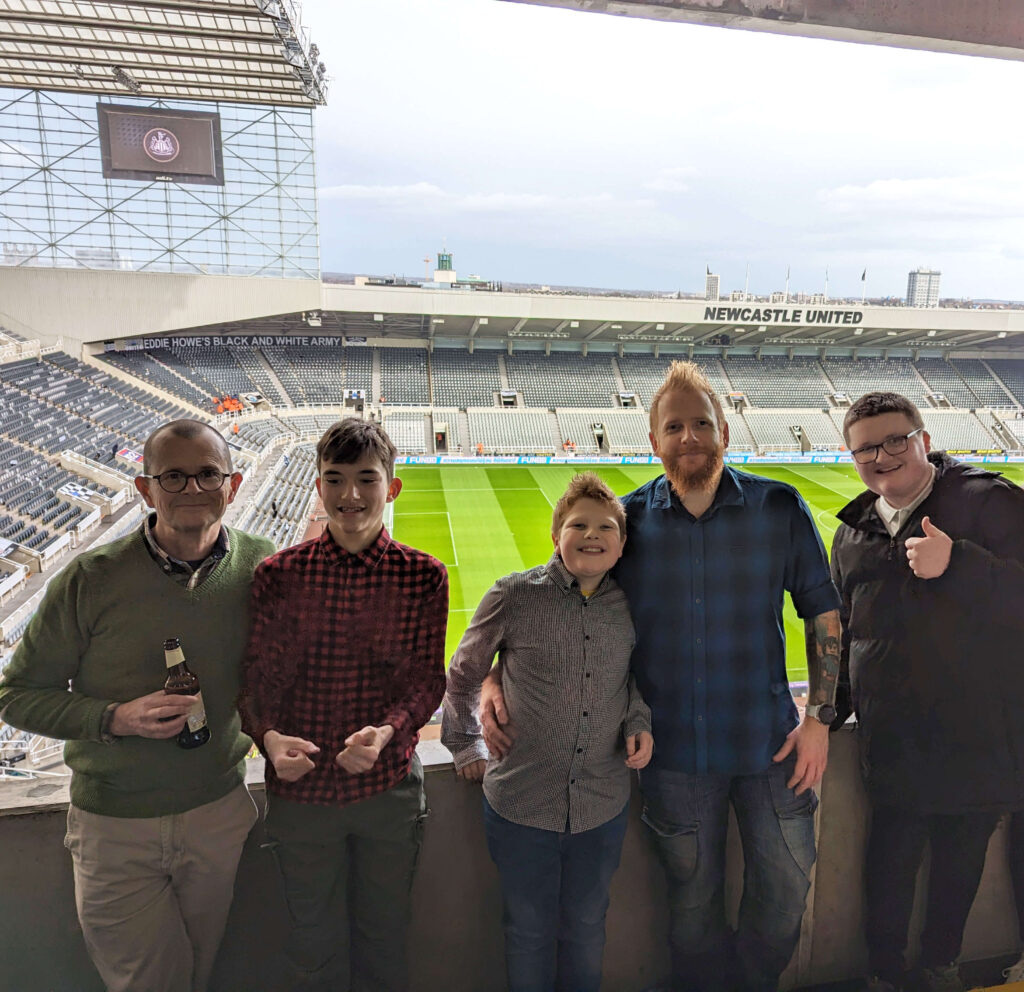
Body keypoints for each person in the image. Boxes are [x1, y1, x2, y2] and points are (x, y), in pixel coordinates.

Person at [482, 361, 841, 992]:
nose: (689, 437)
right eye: (673, 426)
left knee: (787, 892)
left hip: (771, 745)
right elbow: (548, 596)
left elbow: (824, 613)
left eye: (701, 423)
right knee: (692, 909)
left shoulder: (779, 507)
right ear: (653, 441)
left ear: (725, 429)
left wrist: (820, 717)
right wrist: (491, 674)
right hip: (672, 757)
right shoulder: (627, 522)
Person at [0, 420, 274, 992]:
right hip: (114, 825)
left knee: (203, 972)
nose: (192, 489)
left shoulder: (261, 565)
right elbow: (16, 695)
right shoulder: (88, 579)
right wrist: (113, 718)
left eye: (207, 475)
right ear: (144, 489)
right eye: (172, 476)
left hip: (218, 811)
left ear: (235, 483)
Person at [238, 419, 448, 992]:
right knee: (311, 943)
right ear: (318, 485)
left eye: (366, 479)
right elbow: (257, 684)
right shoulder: (278, 575)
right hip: (302, 799)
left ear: (391, 488)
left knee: (384, 940)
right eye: (335, 479)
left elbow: (427, 683)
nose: (350, 495)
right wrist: (269, 738)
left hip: (388, 793)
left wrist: (385, 733)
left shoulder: (423, 576)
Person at [830, 391, 1024, 992]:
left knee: (957, 870)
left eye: (895, 440)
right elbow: (846, 630)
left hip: (977, 740)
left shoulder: (988, 501)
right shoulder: (854, 530)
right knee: (887, 870)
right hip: (891, 744)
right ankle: (884, 975)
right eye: (866, 448)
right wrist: (826, 713)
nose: (881, 456)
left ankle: (939, 969)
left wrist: (958, 563)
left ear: (925, 440)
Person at [442, 472, 654, 992]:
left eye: (605, 526)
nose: (591, 533)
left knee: (586, 930)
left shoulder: (629, 607)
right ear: (555, 533)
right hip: (521, 806)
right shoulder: (513, 595)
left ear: (622, 545)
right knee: (529, 932)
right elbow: (465, 672)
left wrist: (639, 721)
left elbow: (632, 680)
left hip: (601, 806)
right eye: (578, 523)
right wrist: (465, 742)